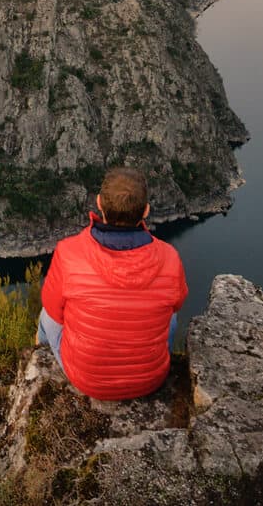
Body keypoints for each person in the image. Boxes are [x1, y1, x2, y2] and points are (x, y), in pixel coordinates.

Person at [37, 166, 187, 400]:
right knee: (171, 314)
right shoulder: (169, 257)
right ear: (146, 211)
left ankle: (38, 358)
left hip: (87, 380)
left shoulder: (69, 252)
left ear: (99, 203)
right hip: (150, 380)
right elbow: (177, 304)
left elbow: (54, 309)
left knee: (46, 315)